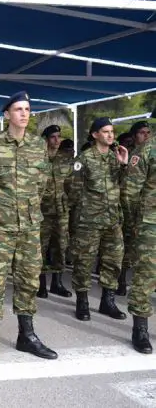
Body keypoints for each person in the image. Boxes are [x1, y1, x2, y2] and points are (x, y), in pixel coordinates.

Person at [0, 91, 57, 364]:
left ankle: (27, 335)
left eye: (27, 110)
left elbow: (42, 183)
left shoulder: (37, 145)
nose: (24, 114)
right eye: (18, 109)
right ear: (7, 114)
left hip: (29, 225)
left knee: (29, 279)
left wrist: (28, 207)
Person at [67, 117, 129, 322]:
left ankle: (107, 302)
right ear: (95, 135)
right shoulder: (84, 159)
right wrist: (84, 211)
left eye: (112, 131)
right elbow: (72, 189)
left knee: (113, 260)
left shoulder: (115, 157)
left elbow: (125, 186)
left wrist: (124, 165)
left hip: (112, 220)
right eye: (105, 131)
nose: (110, 135)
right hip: (89, 221)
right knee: (84, 261)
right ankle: (82, 301)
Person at [125, 113, 155, 353]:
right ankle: (140, 328)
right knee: (145, 275)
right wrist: (137, 221)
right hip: (150, 223)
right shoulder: (145, 150)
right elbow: (130, 192)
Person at [37, 125, 73, 298]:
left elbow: (74, 183)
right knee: (41, 247)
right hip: (42, 211)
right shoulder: (38, 157)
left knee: (61, 246)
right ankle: (41, 283)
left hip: (61, 211)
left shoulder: (66, 158)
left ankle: (57, 283)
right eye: (53, 137)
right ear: (45, 139)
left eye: (59, 136)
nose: (57, 140)